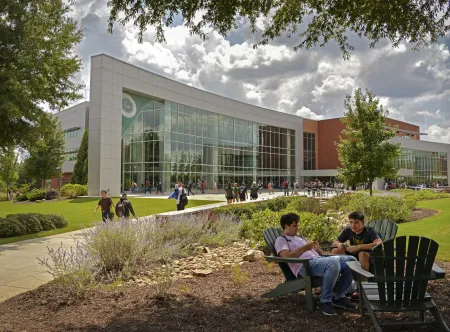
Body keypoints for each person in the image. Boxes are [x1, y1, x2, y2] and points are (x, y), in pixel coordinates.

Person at [275, 213, 357, 316]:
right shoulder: (281, 240)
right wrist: (306, 247)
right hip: (305, 266)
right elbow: (286, 256)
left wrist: (317, 249)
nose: (297, 228)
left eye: (297, 225)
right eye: (294, 225)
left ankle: (338, 297)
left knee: (351, 260)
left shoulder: (300, 238)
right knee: (332, 263)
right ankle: (325, 301)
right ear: (286, 226)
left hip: (318, 260)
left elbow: (320, 254)